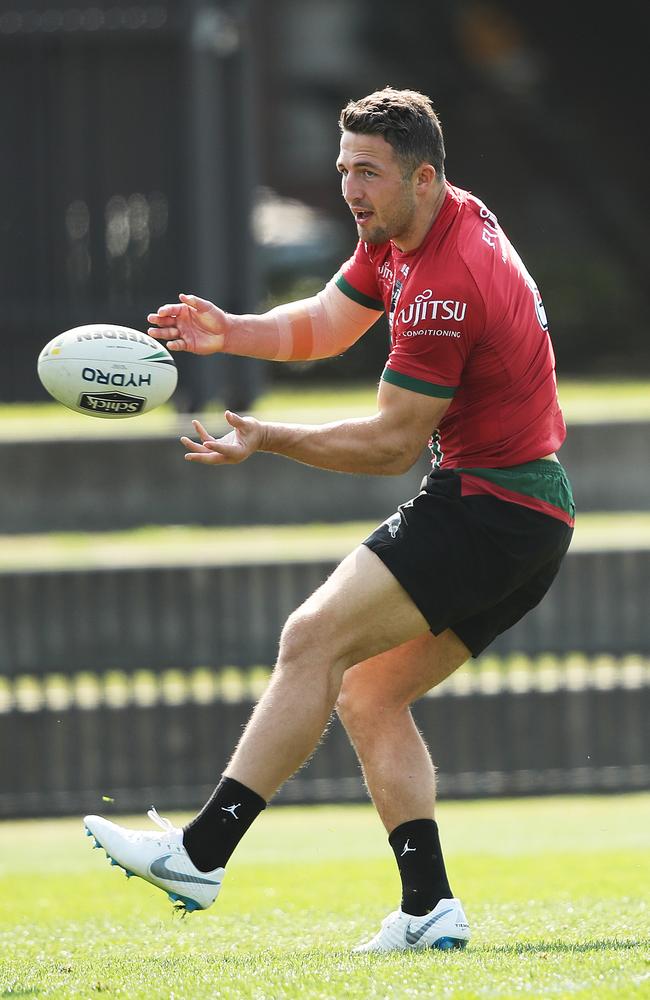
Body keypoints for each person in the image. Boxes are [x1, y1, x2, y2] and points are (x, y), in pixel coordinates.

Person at [84, 87, 574, 953]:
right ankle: (430, 910)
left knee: (312, 638)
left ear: (423, 178)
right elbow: (324, 323)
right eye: (344, 166)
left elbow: (390, 445)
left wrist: (263, 436)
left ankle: (199, 854)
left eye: (369, 172)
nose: (351, 187)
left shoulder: (444, 287)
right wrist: (229, 331)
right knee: (368, 689)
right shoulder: (417, 223)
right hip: (526, 511)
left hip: (493, 505)